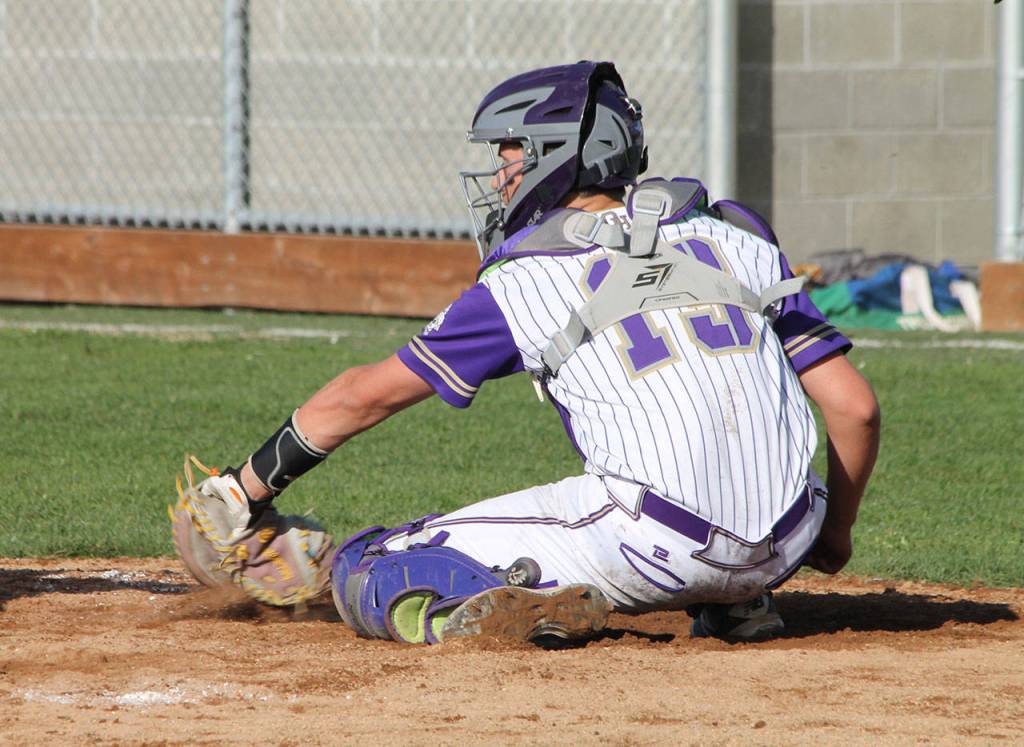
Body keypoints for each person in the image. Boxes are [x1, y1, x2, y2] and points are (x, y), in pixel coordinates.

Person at [190, 61, 880, 644]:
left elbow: (364, 395)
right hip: (790, 533)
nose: (500, 174)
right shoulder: (736, 237)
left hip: (650, 542)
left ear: (555, 153)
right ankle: (737, 600)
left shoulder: (527, 275)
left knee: (371, 563)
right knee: (722, 481)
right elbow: (855, 408)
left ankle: (460, 614)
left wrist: (243, 488)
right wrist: (835, 533)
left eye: (510, 152)